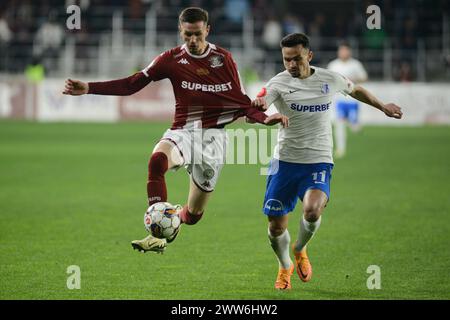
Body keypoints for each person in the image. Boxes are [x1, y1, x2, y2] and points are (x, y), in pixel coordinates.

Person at [62, 7, 288, 254]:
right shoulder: (170, 59)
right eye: (187, 34)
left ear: (207, 31)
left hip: (214, 140)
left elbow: (241, 101)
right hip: (183, 131)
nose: (192, 40)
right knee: (157, 161)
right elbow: (132, 83)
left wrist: (266, 119)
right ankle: (157, 232)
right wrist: (88, 87)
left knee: (193, 214)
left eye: (198, 35)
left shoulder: (223, 60)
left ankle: (175, 219)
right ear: (181, 31)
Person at [252, 33, 402, 290]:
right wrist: (263, 112)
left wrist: (382, 106)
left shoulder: (328, 78)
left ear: (308, 56)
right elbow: (257, 106)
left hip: (318, 159)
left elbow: (356, 90)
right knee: (276, 227)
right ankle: (285, 264)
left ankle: (300, 248)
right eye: (286, 59)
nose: (291, 65)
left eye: (297, 59)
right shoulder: (278, 82)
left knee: (312, 209)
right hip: (284, 161)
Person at [327, 42, 368, 158]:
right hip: (339, 101)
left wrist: (353, 80)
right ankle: (340, 149)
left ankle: (355, 123)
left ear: (349, 51)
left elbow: (364, 77)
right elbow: (328, 80)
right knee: (339, 124)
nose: (343, 53)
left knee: (354, 126)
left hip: (353, 100)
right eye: (341, 50)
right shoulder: (333, 65)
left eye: (345, 50)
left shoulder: (355, 64)